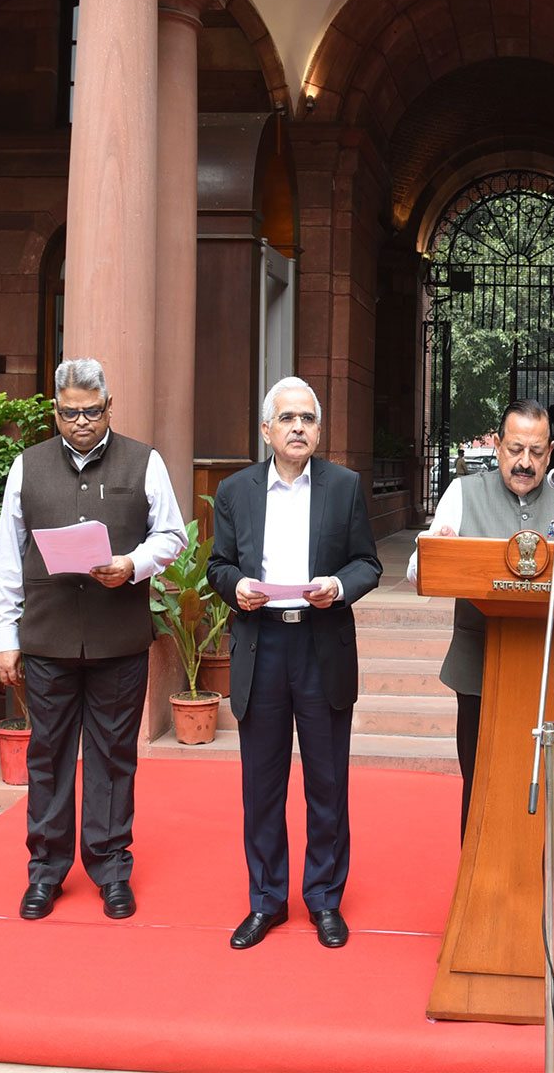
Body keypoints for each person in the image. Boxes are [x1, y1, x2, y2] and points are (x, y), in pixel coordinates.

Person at [0, 357, 188, 922]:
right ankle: (45, 871)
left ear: (109, 407)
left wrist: (133, 563)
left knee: (113, 756)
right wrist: (4, 635)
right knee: (48, 756)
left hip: (118, 640)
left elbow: (172, 535)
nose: (81, 422)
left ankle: (111, 868)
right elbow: (7, 555)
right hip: (47, 640)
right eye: (70, 412)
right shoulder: (27, 466)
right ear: (55, 410)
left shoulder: (144, 461)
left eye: (92, 412)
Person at [207, 376, 381, 950]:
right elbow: (218, 565)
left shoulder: (344, 486)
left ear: (319, 430)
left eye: (307, 418)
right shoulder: (235, 491)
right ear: (267, 430)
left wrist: (339, 586)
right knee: (262, 785)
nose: (298, 427)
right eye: (287, 418)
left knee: (327, 783)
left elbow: (367, 563)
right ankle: (266, 900)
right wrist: (237, 587)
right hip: (262, 645)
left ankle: (325, 899)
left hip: (320, 644)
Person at [407, 398, 554, 835]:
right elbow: (419, 571)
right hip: (478, 666)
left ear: (550, 452)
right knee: (480, 782)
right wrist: (438, 550)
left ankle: (540, 873)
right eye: (515, 449)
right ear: (496, 445)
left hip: (547, 665)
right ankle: (477, 876)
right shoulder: (462, 493)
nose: (525, 462)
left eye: (536, 451)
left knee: (544, 783)